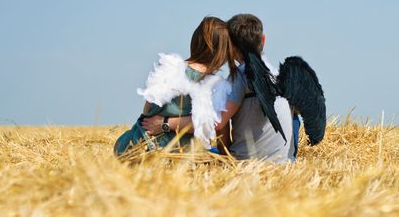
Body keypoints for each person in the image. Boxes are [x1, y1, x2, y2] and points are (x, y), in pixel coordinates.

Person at [142, 14, 296, 163]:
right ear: (263, 40)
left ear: (232, 47)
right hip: (284, 162)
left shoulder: (240, 76)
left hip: (248, 162)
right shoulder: (280, 74)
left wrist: (165, 122)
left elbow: (216, 122)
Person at [113, 16, 236, 156]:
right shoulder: (217, 86)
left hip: (139, 145)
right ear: (222, 52)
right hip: (180, 154)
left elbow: (147, 111)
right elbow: (213, 131)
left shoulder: (169, 66)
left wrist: (165, 124)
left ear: (195, 41)